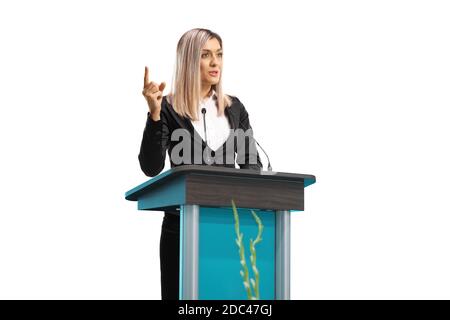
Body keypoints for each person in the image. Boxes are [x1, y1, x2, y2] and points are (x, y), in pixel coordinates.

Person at [138, 28, 263, 300]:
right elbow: (151, 167)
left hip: (227, 228)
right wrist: (155, 114)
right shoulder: (169, 107)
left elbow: (252, 166)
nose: (215, 62)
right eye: (206, 55)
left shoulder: (235, 108)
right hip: (181, 230)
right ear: (189, 61)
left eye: (219, 54)